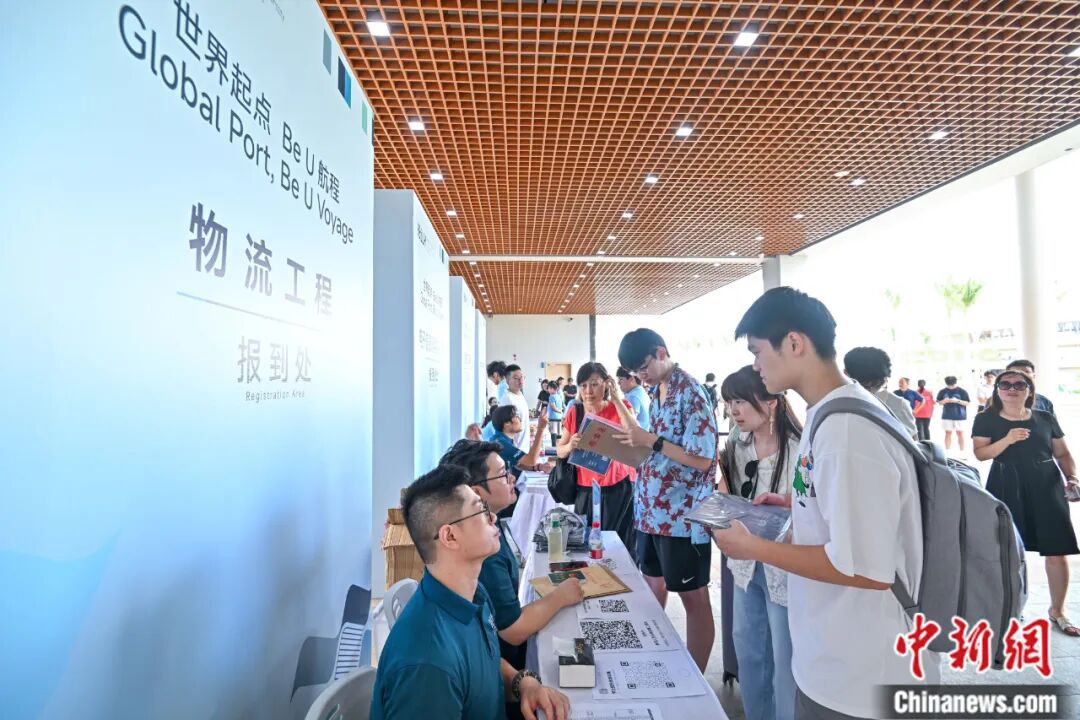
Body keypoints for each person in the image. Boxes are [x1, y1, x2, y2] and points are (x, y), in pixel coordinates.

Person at [712, 286, 934, 720]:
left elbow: (863, 569)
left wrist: (753, 547)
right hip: (833, 661)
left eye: (758, 351)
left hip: (861, 678)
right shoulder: (827, 414)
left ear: (794, 343)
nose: (756, 366)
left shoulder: (847, 430)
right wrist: (794, 506)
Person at [370, 465, 570, 720]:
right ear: (450, 536)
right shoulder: (427, 664)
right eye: (481, 511)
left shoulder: (472, 593)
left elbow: (483, 661)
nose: (493, 517)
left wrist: (523, 683)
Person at [613, 328, 718, 673]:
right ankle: (652, 659)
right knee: (651, 585)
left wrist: (652, 441)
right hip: (651, 510)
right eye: (635, 372)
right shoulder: (657, 390)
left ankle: (696, 677)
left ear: (661, 352)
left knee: (693, 597)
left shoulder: (691, 392)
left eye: (643, 367)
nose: (641, 376)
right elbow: (658, 446)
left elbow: (702, 458)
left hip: (682, 516)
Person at [439, 441, 585, 683]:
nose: (512, 478)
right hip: (504, 668)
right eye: (502, 475)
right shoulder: (484, 550)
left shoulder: (487, 528)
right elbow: (513, 631)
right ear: (476, 493)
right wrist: (561, 596)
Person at [719, 365, 802, 720]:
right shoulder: (738, 445)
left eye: (740, 401)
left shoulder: (799, 450)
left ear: (770, 402)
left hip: (785, 567)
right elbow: (727, 495)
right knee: (749, 649)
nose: (733, 410)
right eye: (729, 402)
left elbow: (810, 508)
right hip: (745, 564)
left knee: (785, 657)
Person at [972, 369, 1080, 637]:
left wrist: (1072, 478)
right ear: (997, 389)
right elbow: (981, 454)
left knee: (1057, 549)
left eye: (1019, 384)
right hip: (1006, 483)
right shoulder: (986, 418)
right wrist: (1008, 439)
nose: (1012, 389)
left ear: (1029, 390)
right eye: (1005, 384)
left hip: (1046, 484)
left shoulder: (1045, 418)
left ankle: (1058, 610)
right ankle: (1011, 608)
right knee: (1006, 550)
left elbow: (1062, 453)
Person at [556, 362, 638, 555]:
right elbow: (560, 451)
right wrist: (570, 445)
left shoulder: (621, 407)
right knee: (587, 543)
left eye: (594, 384)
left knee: (620, 543)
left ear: (606, 383)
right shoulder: (575, 412)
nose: (588, 391)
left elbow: (635, 431)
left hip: (618, 486)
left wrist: (616, 398)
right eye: (583, 385)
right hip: (586, 488)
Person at [489, 405, 551, 520]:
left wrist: (538, 467)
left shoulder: (502, 439)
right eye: (517, 416)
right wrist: (541, 429)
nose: (520, 419)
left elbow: (518, 463)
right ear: (507, 423)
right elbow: (531, 460)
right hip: (499, 496)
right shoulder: (501, 442)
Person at [843, 347, 918, 440]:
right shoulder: (899, 404)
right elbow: (914, 442)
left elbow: (913, 442)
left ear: (846, 373)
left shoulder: (838, 403)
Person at [936, 375, 970, 453]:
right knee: (948, 433)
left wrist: (957, 401)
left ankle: (962, 452)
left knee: (960, 434)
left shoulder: (962, 391)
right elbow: (938, 402)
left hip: (960, 416)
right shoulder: (942, 391)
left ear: (955, 383)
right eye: (949, 385)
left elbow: (967, 403)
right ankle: (947, 452)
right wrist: (944, 401)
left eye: (952, 385)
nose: (951, 387)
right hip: (947, 415)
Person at [547, 381, 565, 445]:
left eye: (549, 388)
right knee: (559, 432)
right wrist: (561, 412)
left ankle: (554, 447)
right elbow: (563, 406)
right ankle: (560, 446)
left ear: (552, 389)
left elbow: (553, 407)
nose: (548, 390)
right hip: (559, 417)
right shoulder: (559, 396)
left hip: (553, 417)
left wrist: (559, 411)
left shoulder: (551, 396)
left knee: (553, 432)